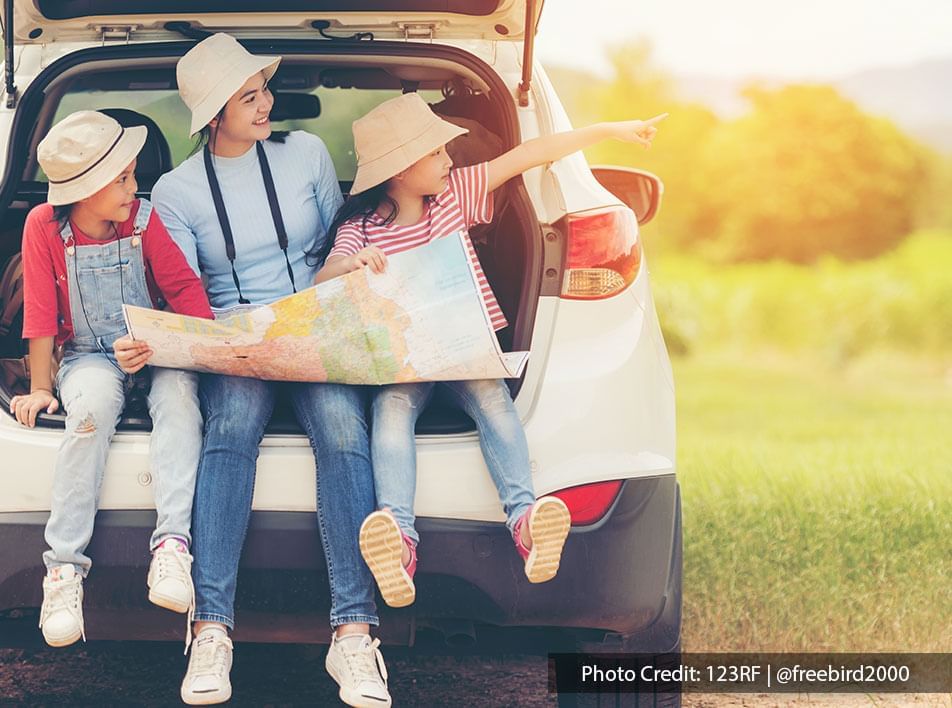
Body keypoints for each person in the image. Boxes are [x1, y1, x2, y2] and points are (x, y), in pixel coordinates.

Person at [314, 93, 665, 609]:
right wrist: (350, 266)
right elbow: (323, 277)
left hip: (465, 348)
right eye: (436, 153)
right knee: (390, 413)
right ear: (401, 169)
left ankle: (526, 523)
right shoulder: (360, 229)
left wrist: (612, 127)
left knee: (494, 402)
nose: (449, 160)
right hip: (404, 358)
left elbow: (533, 154)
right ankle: (399, 541)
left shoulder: (456, 194)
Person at [122, 34, 388, 707]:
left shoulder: (308, 154)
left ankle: (355, 637)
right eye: (249, 96)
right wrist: (230, 341)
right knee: (230, 430)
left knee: (342, 430)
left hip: (315, 324)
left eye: (263, 88)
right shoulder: (177, 191)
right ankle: (210, 629)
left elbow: (336, 241)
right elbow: (184, 289)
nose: (266, 101)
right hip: (234, 337)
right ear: (214, 115)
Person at [10, 110, 213, 648]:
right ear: (86, 189)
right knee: (90, 414)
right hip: (86, 357)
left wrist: (182, 346)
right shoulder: (42, 227)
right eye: (122, 178)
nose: (134, 186)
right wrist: (39, 387)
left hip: (155, 348)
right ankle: (65, 570)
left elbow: (185, 293)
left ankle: (171, 547)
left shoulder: (144, 221)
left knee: (178, 401)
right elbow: (40, 316)